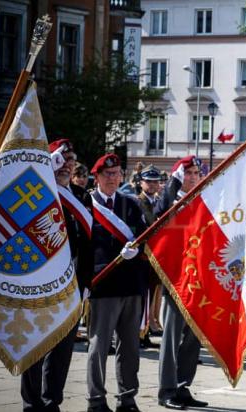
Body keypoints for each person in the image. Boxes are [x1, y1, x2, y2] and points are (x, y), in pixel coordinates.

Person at [21, 138, 93, 412]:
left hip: (73, 284)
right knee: (35, 345)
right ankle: (31, 403)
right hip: (41, 283)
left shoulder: (81, 195)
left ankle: (52, 402)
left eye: (72, 159)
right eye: (62, 158)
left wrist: (86, 283)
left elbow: (88, 243)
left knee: (62, 349)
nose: (68, 164)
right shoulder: (40, 192)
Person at [86, 153, 148, 412]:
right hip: (104, 286)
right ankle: (96, 399)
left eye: (116, 174)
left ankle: (127, 397)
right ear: (97, 177)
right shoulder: (87, 206)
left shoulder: (131, 205)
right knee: (99, 346)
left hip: (131, 286)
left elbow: (144, 236)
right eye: (107, 174)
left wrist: (137, 250)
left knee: (130, 346)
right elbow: (84, 247)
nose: (112, 178)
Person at [154, 155, 209, 410]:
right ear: (178, 176)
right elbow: (159, 220)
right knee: (171, 338)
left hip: (198, 281)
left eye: (196, 173)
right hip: (175, 280)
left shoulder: (201, 203)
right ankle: (166, 389)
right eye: (187, 173)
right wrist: (172, 187)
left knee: (192, 339)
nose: (193, 177)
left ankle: (183, 385)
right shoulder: (169, 202)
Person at [136, 165, 163, 348]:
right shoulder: (138, 201)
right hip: (142, 257)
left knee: (151, 296)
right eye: (149, 181)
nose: (152, 185)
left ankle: (144, 333)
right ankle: (138, 334)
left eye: (155, 181)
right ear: (141, 182)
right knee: (142, 298)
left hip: (156, 256)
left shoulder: (157, 200)